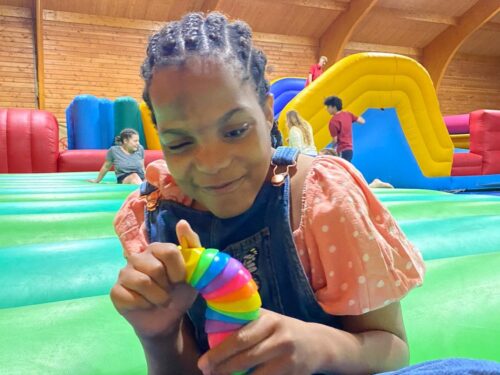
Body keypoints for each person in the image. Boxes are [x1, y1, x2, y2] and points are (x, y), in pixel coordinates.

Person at [110, 12, 426, 375]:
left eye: (235, 131)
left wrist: (319, 345)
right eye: (180, 143)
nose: (212, 163)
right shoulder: (156, 214)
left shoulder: (319, 201)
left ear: (266, 112)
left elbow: (394, 351)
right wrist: (159, 336)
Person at [325, 95, 365, 162]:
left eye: (328, 107)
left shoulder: (333, 121)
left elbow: (335, 140)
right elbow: (362, 121)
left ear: (334, 107)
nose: (327, 109)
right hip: (350, 150)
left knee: (342, 170)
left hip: (342, 150)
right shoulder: (348, 114)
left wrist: (331, 148)